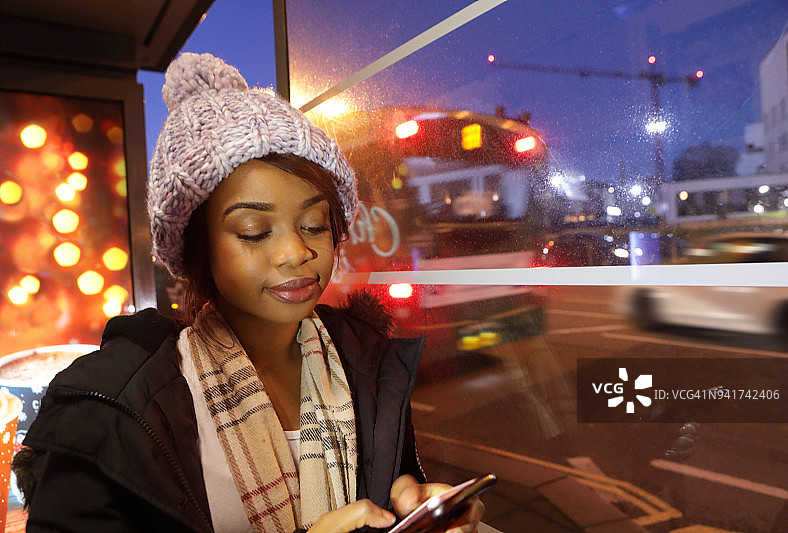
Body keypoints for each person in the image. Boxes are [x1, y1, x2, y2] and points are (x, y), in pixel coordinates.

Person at [12, 53, 484, 532]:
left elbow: (376, 479)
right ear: (199, 250)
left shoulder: (364, 359)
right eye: (255, 231)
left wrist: (407, 497)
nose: (295, 252)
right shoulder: (113, 406)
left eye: (314, 225)